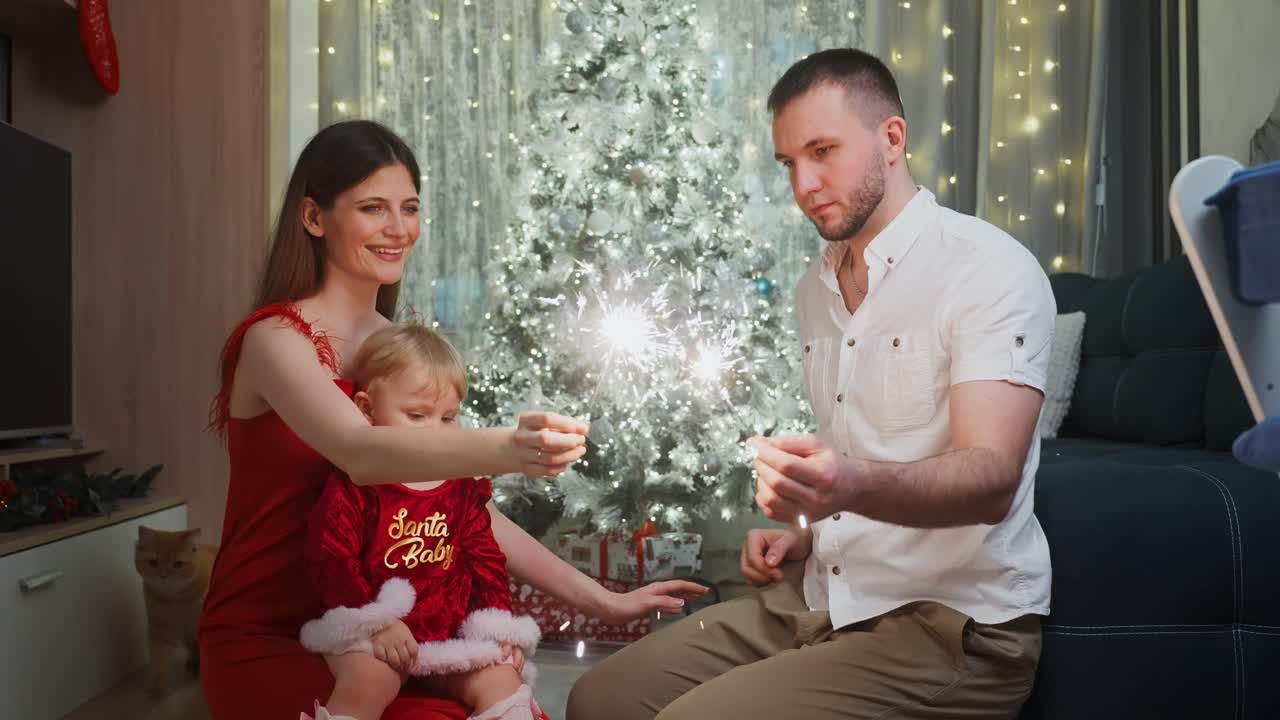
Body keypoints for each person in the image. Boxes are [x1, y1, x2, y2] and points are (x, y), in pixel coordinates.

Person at [568, 48, 1055, 720]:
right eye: (789, 162)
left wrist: (847, 487)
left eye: (823, 151)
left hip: (947, 628)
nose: (803, 183)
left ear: (891, 138)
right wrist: (807, 532)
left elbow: (992, 479)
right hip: (819, 598)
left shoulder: (987, 269)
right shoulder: (815, 290)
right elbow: (864, 457)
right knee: (599, 700)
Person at [198, 119, 706, 720]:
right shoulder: (275, 339)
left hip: (399, 636)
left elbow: (469, 513)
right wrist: (507, 448)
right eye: (373, 208)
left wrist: (603, 600)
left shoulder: (402, 353)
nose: (397, 229)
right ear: (313, 218)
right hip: (276, 635)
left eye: (408, 208)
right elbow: (360, 452)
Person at [299, 322, 548, 720]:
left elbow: (484, 560)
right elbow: (331, 560)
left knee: (504, 681)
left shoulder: (461, 486)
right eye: (417, 415)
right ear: (367, 409)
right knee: (368, 680)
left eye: (448, 418)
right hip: (375, 634)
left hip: (446, 636)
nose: (436, 433)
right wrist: (374, 622)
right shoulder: (357, 484)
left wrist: (499, 630)